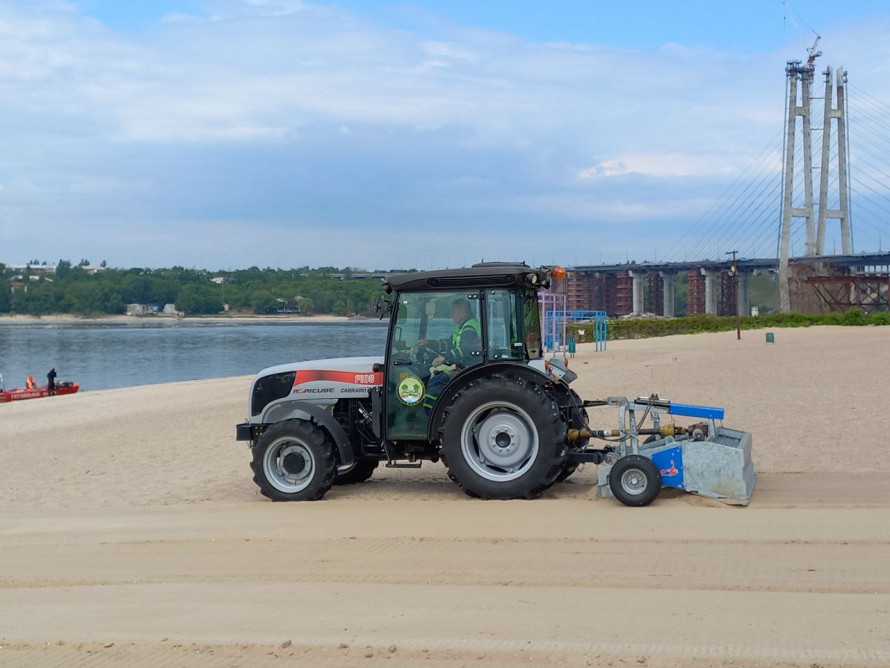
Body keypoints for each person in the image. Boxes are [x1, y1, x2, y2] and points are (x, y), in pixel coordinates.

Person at [419, 299, 481, 412]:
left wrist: (443, 358)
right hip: (466, 365)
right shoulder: (464, 327)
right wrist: (429, 343)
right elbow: (449, 343)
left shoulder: (469, 328)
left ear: (462, 313)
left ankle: (433, 417)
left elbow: (465, 349)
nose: (451, 314)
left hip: (468, 367)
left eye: (454, 311)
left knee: (436, 382)